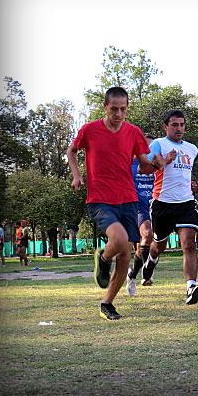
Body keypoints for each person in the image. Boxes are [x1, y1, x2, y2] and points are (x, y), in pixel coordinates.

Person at [67, 86, 155, 320]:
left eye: (123, 109)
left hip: (128, 198)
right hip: (100, 199)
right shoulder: (90, 130)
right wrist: (77, 175)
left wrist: (157, 163)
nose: (118, 114)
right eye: (114, 108)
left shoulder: (133, 132)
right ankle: (103, 258)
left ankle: (107, 303)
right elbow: (72, 151)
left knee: (125, 254)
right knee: (119, 240)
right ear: (105, 106)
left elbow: (144, 163)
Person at [139, 110, 198, 305]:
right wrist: (163, 161)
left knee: (189, 243)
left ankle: (191, 287)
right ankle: (150, 261)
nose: (179, 128)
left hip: (185, 202)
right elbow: (144, 168)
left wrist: (191, 182)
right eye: (174, 125)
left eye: (182, 125)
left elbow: (184, 172)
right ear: (165, 126)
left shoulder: (192, 149)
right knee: (159, 245)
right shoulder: (158, 144)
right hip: (162, 203)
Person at [126, 134, 155, 296]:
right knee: (147, 233)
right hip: (138, 207)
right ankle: (147, 271)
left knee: (142, 246)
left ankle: (132, 275)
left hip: (156, 207)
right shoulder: (131, 164)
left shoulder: (156, 165)